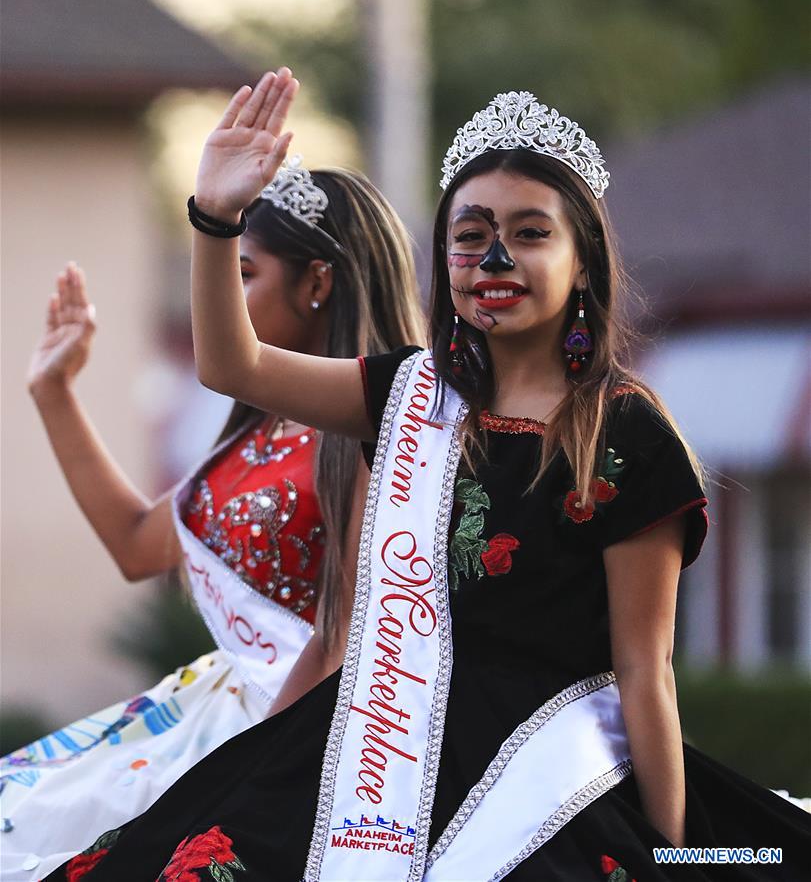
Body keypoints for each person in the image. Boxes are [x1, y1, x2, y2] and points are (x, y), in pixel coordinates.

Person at [47, 70, 809, 881]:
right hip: (376, 747)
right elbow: (229, 364)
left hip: (541, 775)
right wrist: (216, 217)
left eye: (530, 232)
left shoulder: (622, 433)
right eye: (470, 232)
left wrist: (669, 848)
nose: (495, 256)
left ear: (583, 262)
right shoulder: (405, 393)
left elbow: (641, 671)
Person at [1, 159, 425, 880]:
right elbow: (139, 546)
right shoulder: (254, 432)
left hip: (295, 732)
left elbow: (348, 636)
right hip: (201, 714)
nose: (218, 296)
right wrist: (54, 393)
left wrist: (253, 770)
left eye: (245, 272)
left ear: (317, 282)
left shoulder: (382, 431)